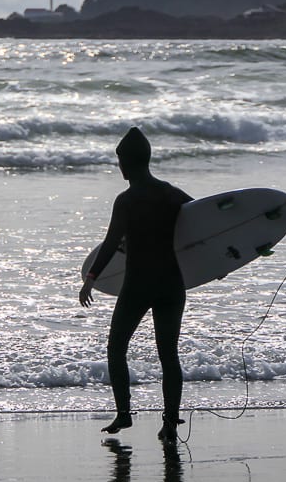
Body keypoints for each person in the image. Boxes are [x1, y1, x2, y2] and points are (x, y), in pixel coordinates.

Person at [79, 127, 193, 442]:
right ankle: (170, 421)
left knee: (116, 348)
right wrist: (219, 263)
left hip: (139, 285)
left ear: (126, 163)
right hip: (171, 284)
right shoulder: (172, 193)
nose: (120, 168)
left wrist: (90, 279)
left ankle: (124, 413)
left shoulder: (126, 200)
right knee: (168, 354)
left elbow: (110, 242)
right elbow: (202, 230)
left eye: (120, 161)